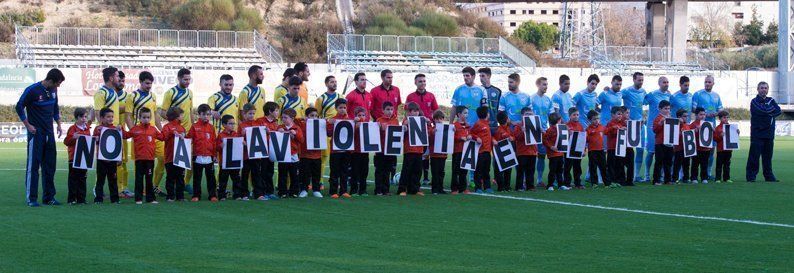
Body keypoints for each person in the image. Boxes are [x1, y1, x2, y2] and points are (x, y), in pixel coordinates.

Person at [17, 68, 65, 206]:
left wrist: (59, 125)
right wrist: (27, 125)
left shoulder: (54, 91)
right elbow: (19, 106)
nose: (58, 86)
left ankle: (49, 197)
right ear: (50, 81)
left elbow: (55, 108)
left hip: (49, 133)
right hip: (36, 134)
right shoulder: (32, 90)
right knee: (33, 166)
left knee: (50, 166)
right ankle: (31, 199)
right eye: (57, 84)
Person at [125, 71, 166, 197]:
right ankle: (142, 190)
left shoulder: (153, 96)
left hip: (153, 133)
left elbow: (156, 115)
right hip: (141, 136)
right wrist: (135, 132)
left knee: (163, 159)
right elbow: (128, 115)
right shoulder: (132, 96)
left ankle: (153, 186)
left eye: (151, 83)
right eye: (147, 83)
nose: (149, 86)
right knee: (141, 165)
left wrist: (161, 130)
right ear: (141, 82)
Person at [160, 68, 195, 194]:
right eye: (185, 79)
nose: (187, 82)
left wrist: (193, 126)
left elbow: (190, 111)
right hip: (175, 135)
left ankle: (185, 183)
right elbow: (163, 112)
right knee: (172, 162)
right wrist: (173, 125)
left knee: (188, 160)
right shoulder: (170, 93)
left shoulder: (190, 93)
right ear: (179, 78)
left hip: (186, 133)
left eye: (189, 79)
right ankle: (171, 187)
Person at [92, 67, 121, 199]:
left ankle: (114, 194)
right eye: (116, 76)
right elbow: (98, 112)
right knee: (103, 165)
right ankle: (97, 190)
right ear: (110, 78)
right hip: (106, 135)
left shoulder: (113, 92)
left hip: (113, 134)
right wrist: (105, 130)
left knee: (112, 167)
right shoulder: (101, 92)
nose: (118, 78)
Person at [122, 107, 160, 204]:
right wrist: (120, 129)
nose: (146, 119)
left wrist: (173, 133)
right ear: (139, 118)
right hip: (139, 159)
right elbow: (125, 135)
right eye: (144, 117)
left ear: (150, 118)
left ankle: (150, 198)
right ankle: (138, 199)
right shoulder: (135, 129)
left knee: (149, 180)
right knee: (139, 179)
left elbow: (163, 137)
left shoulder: (153, 130)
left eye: (148, 117)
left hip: (150, 160)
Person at [405, 73, 436, 186]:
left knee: (426, 153)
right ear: (415, 83)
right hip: (414, 129)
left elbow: (435, 111)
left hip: (427, 129)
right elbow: (406, 112)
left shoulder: (431, 96)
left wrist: (432, 122)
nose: (422, 83)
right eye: (420, 81)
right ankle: (410, 180)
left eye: (424, 81)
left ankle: (426, 177)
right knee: (416, 154)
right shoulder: (410, 96)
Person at [746, 83, 779, 182]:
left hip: (769, 133)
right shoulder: (754, 101)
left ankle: (769, 176)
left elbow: (778, 111)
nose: (763, 90)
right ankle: (751, 176)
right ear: (757, 89)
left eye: (765, 88)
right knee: (754, 156)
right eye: (762, 88)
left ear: (768, 89)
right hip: (757, 133)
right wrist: (770, 111)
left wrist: (769, 111)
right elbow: (761, 110)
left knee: (768, 157)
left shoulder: (771, 100)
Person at [692, 75, 723, 179]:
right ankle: (693, 175)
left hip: (712, 127)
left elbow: (720, 110)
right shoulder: (698, 94)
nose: (707, 84)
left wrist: (716, 113)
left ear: (713, 83)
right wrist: (704, 114)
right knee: (698, 151)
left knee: (711, 150)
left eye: (709, 82)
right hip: (699, 127)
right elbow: (693, 109)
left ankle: (708, 173)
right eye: (706, 82)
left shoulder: (716, 96)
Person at [186, 104, 218, 202]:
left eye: (208, 114)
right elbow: (188, 139)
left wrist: (215, 155)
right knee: (197, 177)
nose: (206, 116)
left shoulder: (212, 128)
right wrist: (182, 138)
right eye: (203, 114)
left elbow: (214, 141)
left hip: (209, 157)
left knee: (211, 178)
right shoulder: (194, 127)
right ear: (199, 115)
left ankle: (212, 195)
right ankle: (196, 195)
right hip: (197, 156)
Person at [643, 77, 672, 185]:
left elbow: (670, 109)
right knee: (651, 152)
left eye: (667, 82)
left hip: (666, 129)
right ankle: (647, 174)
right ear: (659, 83)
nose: (666, 84)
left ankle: (664, 177)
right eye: (664, 82)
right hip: (653, 126)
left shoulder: (669, 95)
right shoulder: (652, 94)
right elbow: (641, 101)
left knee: (667, 154)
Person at [398, 102, 430, 196]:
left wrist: (427, 122)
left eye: (417, 111)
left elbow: (426, 132)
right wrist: (406, 125)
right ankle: (402, 189)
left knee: (418, 170)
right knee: (406, 170)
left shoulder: (421, 120)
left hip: (419, 150)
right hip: (409, 150)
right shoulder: (406, 120)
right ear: (408, 112)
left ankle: (414, 189)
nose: (416, 113)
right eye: (413, 111)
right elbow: (403, 129)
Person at [621, 72, 647, 183]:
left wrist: (644, 117)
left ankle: (636, 175)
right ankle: (622, 175)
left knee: (640, 150)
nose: (641, 82)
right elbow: (616, 95)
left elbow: (643, 105)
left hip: (640, 125)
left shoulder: (643, 92)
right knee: (626, 151)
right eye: (639, 80)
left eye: (642, 80)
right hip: (629, 126)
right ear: (634, 79)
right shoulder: (626, 91)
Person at [157, 107, 187, 201]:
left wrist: (184, 136)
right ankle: (170, 196)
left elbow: (185, 140)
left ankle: (180, 196)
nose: (183, 116)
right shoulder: (167, 127)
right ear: (177, 117)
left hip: (181, 156)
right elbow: (163, 137)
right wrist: (171, 133)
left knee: (181, 177)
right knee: (170, 177)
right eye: (182, 115)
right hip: (170, 157)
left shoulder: (182, 128)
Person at [315, 75, 339, 191]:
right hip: (325, 131)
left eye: (335, 82)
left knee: (337, 159)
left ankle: (335, 181)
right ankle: (319, 181)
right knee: (323, 157)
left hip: (338, 132)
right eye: (331, 82)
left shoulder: (340, 97)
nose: (334, 84)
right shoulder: (321, 99)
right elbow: (316, 116)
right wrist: (327, 121)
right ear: (326, 84)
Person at [93, 108, 120, 204]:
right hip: (101, 159)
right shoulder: (98, 129)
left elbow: (119, 142)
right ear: (102, 118)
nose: (110, 118)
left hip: (112, 159)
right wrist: (96, 138)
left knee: (113, 180)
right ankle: (98, 199)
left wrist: (119, 158)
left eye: (112, 116)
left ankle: (115, 199)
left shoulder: (116, 128)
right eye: (108, 117)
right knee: (100, 180)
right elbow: (94, 142)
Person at [530, 77, 553, 187]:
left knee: (542, 156)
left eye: (547, 84)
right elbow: (529, 115)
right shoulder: (531, 99)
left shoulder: (548, 99)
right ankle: (527, 179)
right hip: (533, 132)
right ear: (538, 85)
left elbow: (551, 116)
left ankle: (539, 179)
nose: (546, 86)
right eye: (544, 84)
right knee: (530, 156)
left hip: (544, 132)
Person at [327, 99, 352, 198]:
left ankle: (344, 190)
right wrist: (330, 124)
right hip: (335, 150)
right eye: (340, 108)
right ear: (336, 108)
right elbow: (328, 133)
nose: (343, 110)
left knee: (344, 171)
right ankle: (333, 191)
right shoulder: (333, 120)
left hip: (346, 150)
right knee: (334, 171)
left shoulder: (350, 120)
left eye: (344, 108)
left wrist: (358, 122)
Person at [64, 107, 89, 205]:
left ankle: (81, 199)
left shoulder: (87, 128)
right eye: (82, 117)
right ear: (76, 117)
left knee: (83, 178)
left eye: (85, 117)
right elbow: (66, 142)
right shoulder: (72, 129)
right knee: (73, 179)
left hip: (84, 157)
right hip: (73, 157)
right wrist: (73, 137)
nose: (84, 119)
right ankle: (71, 199)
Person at [276, 108, 303, 198]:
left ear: (292, 118)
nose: (283, 119)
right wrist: (278, 132)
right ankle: (282, 192)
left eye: (285, 118)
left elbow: (301, 140)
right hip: (283, 154)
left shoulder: (297, 128)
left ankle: (294, 191)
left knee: (294, 175)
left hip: (293, 154)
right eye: (282, 117)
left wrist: (295, 134)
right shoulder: (280, 127)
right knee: (282, 175)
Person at [257, 102, 281, 200]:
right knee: (262, 172)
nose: (277, 112)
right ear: (270, 111)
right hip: (262, 150)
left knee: (270, 171)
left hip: (272, 150)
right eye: (276, 110)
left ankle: (269, 191)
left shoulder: (276, 123)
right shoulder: (260, 121)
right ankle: (261, 192)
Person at [297, 107, 323, 198]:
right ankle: (304, 189)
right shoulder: (303, 124)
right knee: (305, 174)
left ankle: (316, 189)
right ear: (307, 116)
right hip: (305, 154)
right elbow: (295, 122)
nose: (314, 118)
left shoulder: (320, 124)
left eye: (316, 116)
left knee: (316, 173)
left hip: (317, 154)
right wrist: (302, 119)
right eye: (312, 116)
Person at [374, 102, 399, 196]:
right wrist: (380, 128)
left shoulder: (395, 121)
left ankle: (386, 190)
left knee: (387, 171)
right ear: (383, 110)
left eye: (391, 109)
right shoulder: (379, 120)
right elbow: (374, 134)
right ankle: (378, 190)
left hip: (390, 150)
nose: (390, 111)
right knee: (379, 171)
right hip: (381, 150)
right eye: (388, 109)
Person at [237, 104, 260, 201]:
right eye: (250, 113)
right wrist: (241, 137)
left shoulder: (257, 124)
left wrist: (266, 131)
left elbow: (260, 138)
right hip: (246, 155)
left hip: (256, 155)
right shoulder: (241, 125)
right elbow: (237, 138)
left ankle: (258, 193)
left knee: (256, 174)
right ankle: (244, 194)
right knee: (245, 175)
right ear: (244, 114)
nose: (252, 115)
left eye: (253, 113)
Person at [216, 114, 241, 201]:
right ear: (224, 125)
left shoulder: (236, 134)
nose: (233, 125)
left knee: (236, 179)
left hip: (234, 162)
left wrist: (243, 144)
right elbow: (217, 148)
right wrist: (220, 146)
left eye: (234, 124)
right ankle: (221, 195)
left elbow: (239, 147)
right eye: (230, 124)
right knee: (223, 180)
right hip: (224, 162)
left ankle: (237, 194)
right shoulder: (220, 135)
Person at [115, 71, 132, 199]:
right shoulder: (108, 94)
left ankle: (123, 188)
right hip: (110, 133)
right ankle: (98, 188)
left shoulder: (127, 96)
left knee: (124, 162)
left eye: (123, 81)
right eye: (119, 81)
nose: (121, 83)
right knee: (109, 163)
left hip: (123, 134)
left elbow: (128, 115)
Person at [469, 106, 493, 194]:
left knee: (487, 170)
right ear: (486, 114)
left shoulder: (487, 124)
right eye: (488, 112)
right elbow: (471, 133)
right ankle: (478, 187)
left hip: (487, 151)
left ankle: (487, 187)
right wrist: (477, 138)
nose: (489, 114)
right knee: (478, 170)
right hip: (480, 152)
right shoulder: (478, 124)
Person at [513, 107, 538, 191]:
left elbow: (538, 138)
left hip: (533, 151)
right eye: (527, 114)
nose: (529, 116)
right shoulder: (518, 126)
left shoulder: (536, 124)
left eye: (531, 114)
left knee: (531, 170)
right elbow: (516, 137)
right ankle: (519, 186)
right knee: (521, 170)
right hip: (522, 152)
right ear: (522, 115)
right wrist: (522, 131)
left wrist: (541, 131)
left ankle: (530, 186)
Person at [585, 110, 612, 188]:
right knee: (593, 167)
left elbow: (608, 131)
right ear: (590, 120)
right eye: (594, 119)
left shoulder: (602, 127)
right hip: (592, 151)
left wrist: (616, 128)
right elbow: (585, 140)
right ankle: (594, 183)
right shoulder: (588, 129)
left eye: (598, 118)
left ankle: (607, 183)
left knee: (603, 167)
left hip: (601, 150)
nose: (597, 120)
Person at [450, 106, 471, 195]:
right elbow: (450, 137)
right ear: (458, 114)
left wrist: (471, 136)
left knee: (464, 170)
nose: (467, 115)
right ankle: (454, 188)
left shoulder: (468, 126)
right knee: (456, 170)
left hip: (466, 151)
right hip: (457, 151)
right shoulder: (454, 126)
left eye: (467, 113)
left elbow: (471, 135)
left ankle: (463, 188)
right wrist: (459, 138)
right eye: (465, 113)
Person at [652, 100, 673, 185]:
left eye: (668, 108)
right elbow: (654, 130)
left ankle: (667, 180)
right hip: (660, 143)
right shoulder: (657, 118)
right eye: (665, 108)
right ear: (660, 109)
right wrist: (661, 123)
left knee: (668, 162)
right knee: (659, 162)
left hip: (669, 143)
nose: (667, 110)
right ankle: (656, 180)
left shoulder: (670, 118)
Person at [350, 106, 370, 196]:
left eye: (363, 115)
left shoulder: (368, 125)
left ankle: (363, 190)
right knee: (355, 172)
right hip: (355, 152)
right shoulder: (352, 125)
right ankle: (353, 190)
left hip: (365, 152)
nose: (361, 117)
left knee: (364, 171)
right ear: (355, 116)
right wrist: (355, 127)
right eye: (359, 115)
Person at [605, 107, 628, 186]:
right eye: (618, 114)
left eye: (621, 114)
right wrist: (613, 128)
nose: (620, 116)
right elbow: (605, 132)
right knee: (611, 165)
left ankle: (621, 180)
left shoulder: (623, 123)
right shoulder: (610, 123)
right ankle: (612, 181)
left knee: (620, 164)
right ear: (612, 115)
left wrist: (625, 128)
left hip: (620, 147)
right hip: (612, 148)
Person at [492, 111, 514, 192]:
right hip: (500, 155)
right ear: (506, 119)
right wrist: (493, 140)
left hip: (508, 153)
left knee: (508, 169)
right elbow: (492, 137)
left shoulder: (509, 129)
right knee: (499, 171)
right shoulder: (498, 130)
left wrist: (512, 138)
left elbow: (513, 137)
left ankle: (507, 186)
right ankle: (501, 187)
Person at [428, 110, 448, 194]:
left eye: (441, 119)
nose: (439, 120)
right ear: (434, 120)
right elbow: (429, 139)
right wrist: (433, 133)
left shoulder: (446, 129)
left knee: (441, 173)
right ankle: (435, 189)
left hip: (443, 155)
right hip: (434, 155)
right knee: (435, 173)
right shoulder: (432, 129)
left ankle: (440, 188)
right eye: (437, 119)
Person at [543, 112, 565, 191]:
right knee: (553, 170)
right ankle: (550, 185)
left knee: (560, 170)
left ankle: (560, 185)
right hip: (553, 155)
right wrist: (551, 147)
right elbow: (544, 140)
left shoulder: (562, 128)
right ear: (559, 120)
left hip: (560, 153)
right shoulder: (550, 130)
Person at [564, 107, 584, 189]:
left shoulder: (580, 126)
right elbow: (563, 138)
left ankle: (578, 183)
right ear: (569, 116)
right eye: (574, 115)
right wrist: (568, 133)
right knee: (567, 167)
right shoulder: (566, 126)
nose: (576, 116)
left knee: (577, 167)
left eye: (577, 115)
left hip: (578, 149)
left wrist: (584, 150)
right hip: (569, 150)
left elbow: (583, 139)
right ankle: (567, 183)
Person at [478, 67, 501, 133]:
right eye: (480, 76)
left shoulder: (497, 91)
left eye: (483, 76)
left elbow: (499, 109)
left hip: (494, 126)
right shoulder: (477, 90)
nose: (481, 78)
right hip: (481, 125)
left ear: (489, 76)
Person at [672, 109, 692, 184]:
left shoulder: (687, 125)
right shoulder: (675, 125)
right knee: (677, 164)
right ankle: (674, 179)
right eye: (684, 116)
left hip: (686, 148)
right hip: (678, 148)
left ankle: (686, 178)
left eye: (687, 116)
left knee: (686, 164)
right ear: (679, 117)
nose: (686, 118)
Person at [714, 110, 734, 183]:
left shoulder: (731, 127)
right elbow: (715, 138)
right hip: (721, 149)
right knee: (719, 165)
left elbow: (733, 138)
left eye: (727, 117)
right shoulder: (718, 128)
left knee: (727, 164)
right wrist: (720, 136)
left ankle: (727, 178)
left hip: (728, 149)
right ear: (720, 118)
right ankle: (718, 178)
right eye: (724, 118)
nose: (726, 119)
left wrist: (737, 133)